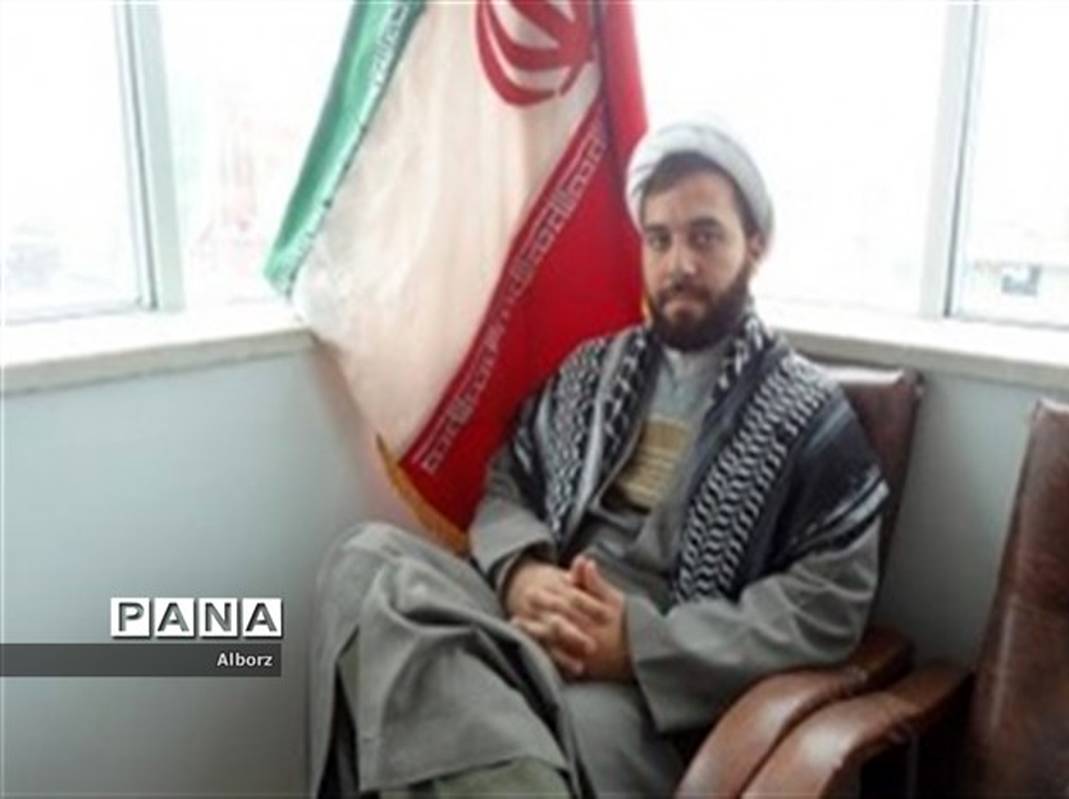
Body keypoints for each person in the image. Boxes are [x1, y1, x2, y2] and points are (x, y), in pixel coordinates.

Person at [310, 118, 888, 798]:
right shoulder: (594, 372)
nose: (679, 264)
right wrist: (523, 573)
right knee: (364, 560)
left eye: (705, 236)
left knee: (435, 676)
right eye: (659, 239)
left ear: (755, 245)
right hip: (534, 614)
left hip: (644, 685)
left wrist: (639, 644)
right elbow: (510, 482)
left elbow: (826, 604)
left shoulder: (805, 414)